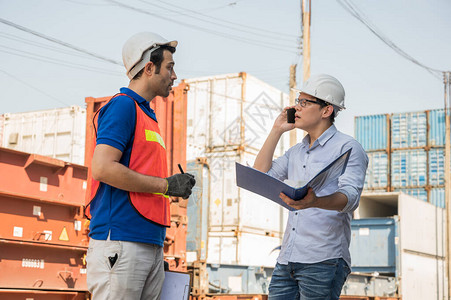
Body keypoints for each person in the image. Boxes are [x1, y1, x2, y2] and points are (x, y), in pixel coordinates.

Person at [85, 32, 196, 300]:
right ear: (149, 68)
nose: (174, 76)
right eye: (169, 67)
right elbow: (103, 168)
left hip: (147, 243)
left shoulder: (147, 114)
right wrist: (167, 185)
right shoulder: (123, 106)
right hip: (122, 241)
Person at [253, 74, 368, 300]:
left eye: (304, 103)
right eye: (297, 101)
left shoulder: (348, 148)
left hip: (323, 260)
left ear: (326, 110)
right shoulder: (296, 151)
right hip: (287, 259)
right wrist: (276, 131)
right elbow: (260, 176)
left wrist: (316, 202)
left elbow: (351, 198)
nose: (296, 108)